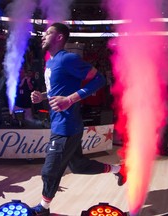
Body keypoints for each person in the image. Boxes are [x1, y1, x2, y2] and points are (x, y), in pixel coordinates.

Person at [30, 23, 126, 216]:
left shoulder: (68, 59)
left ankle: (43, 208)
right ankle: (119, 169)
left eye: (48, 33)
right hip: (62, 123)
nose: (43, 36)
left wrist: (70, 99)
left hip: (66, 126)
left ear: (59, 37)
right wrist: (42, 96)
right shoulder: (50, 62)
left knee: (49, 171)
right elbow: (55, 91)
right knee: (79, 165)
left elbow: (99, 79)